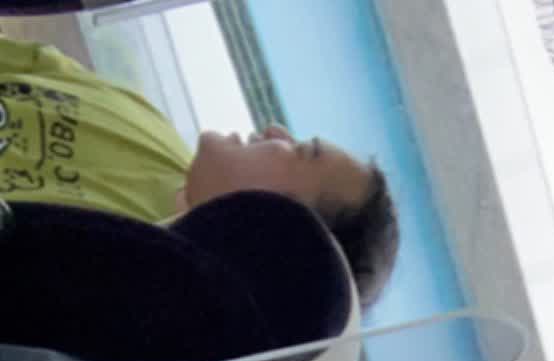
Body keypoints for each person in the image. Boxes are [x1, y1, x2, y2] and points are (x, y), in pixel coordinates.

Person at [0, 34, 400, 304]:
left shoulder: (103, 288)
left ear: (278, 228)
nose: (275, 130)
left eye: (302, 152)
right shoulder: (146, 123)